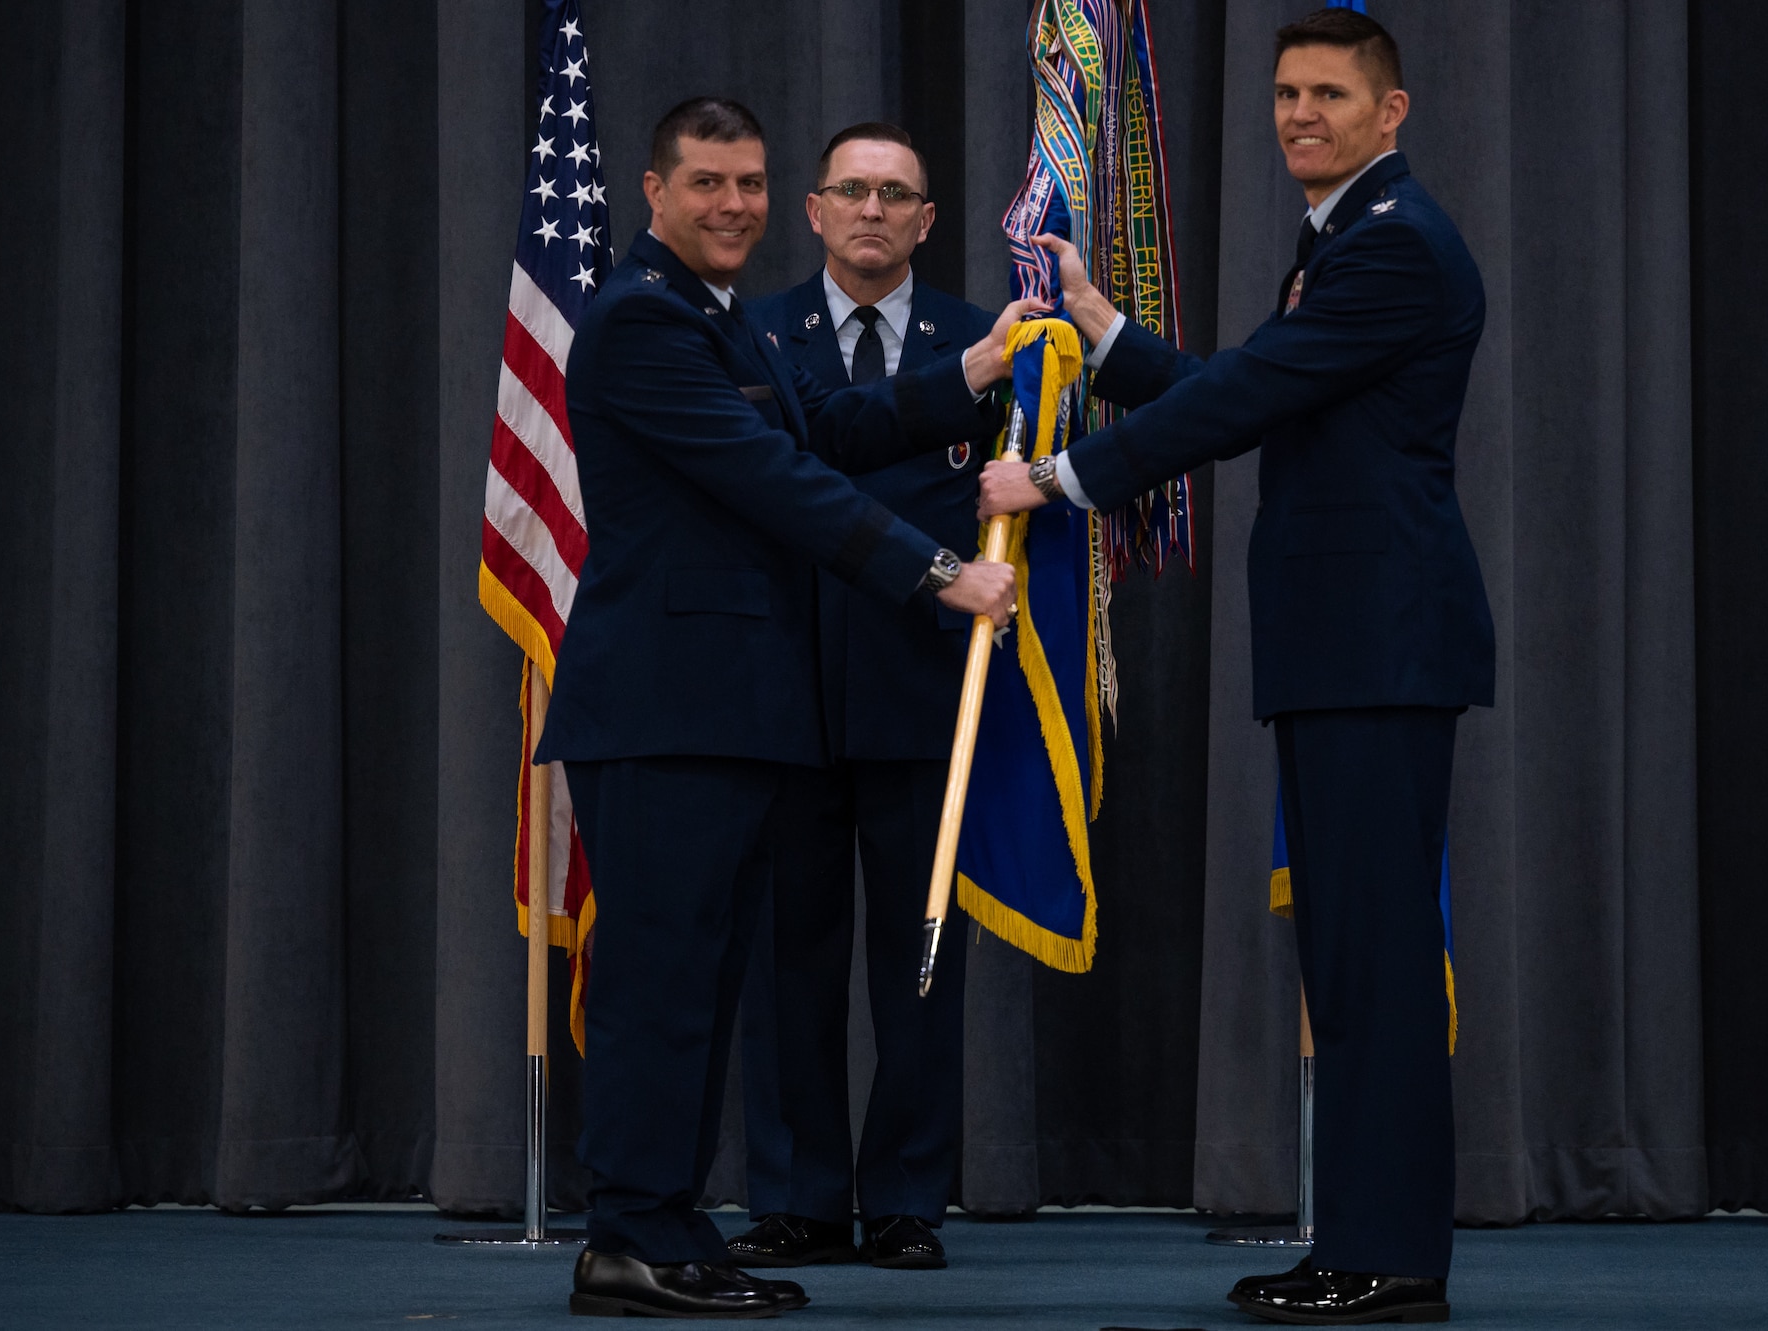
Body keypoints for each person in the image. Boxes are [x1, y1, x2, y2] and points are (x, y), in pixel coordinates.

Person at [978, 10, 1493, 1325]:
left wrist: (1058, 476)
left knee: (1374, 959)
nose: (1298, 114)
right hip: (1344, 646)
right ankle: (1361, 1243)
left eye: (1330, 92)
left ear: (1394, 113)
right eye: (1284, 94)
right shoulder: (1347, 242)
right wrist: (1098, 320)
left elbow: (1244, 400)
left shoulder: (1394, 249)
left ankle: (1391, 1256)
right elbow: (1256, 383)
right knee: (1348, 954)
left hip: (1377, 645)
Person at [536, 96, 1039, 1320]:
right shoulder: (642, 321)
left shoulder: (722, 325)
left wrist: (964, 374)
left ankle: (659, 1224)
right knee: (661, 984)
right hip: (663, 711)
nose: (733, 205)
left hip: (719, 715)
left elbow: (837, 424)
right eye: (707, 182)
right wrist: (940, 571)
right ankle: (625, 1238)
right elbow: (780, 480)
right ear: (653, 191)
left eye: (750, 183)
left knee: (697, 986)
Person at [726, 123, 996, 1274]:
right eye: (853, 190)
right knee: (790, 958)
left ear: (926, 221)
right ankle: (795, 1193)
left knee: (920, 960)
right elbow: (789, 466)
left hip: (927, 686)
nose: (874, 210)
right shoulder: (750, 332)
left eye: (897, 194)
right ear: (815, 210)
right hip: (782, 684)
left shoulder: (988, 338)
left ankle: (905, 1198)